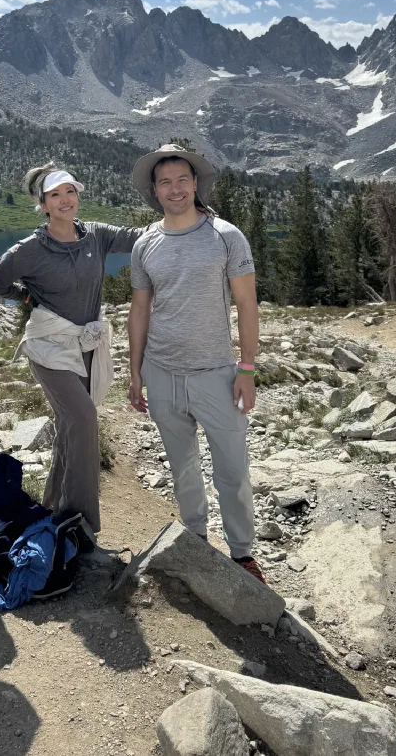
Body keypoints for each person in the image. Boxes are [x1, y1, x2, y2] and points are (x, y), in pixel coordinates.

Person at [0, 164, 148, 550]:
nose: (64, 199)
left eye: (69, 191)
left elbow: (140, 238)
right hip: (50, 346)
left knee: (71, 427)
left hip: (86, 345)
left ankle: (54, 508)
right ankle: (80, 523)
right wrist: (27, 296)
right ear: (43, 204)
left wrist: (181, 213)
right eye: (55, 194)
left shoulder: (97, 235)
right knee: (84, 418)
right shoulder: (31, 249)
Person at [126, 145, 265, 583]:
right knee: (182, 465)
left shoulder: (226, 236)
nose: (175, 188)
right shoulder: (145, 243)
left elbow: (246, 303)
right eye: (165, 182)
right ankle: (196, 541)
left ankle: (242, 553)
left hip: (216, 372)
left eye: (183, 179)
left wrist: (247, 367)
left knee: (232, 468)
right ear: (154, 190)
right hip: (162, 372)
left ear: (196, 183)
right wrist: (135, 370)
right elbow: (140, 309)